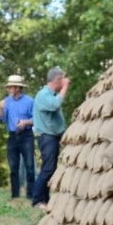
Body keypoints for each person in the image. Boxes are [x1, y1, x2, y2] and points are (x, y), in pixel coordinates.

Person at [31, 66, 70, 208]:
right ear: (58, 79)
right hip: (47, 137)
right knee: (48, 169)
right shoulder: (43, 95)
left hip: (51, 136)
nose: (66, 81)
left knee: (51, 168)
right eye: (63, 79)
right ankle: (37, 200)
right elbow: (55, 105)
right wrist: (65, 87)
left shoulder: (50, 94)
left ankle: (45, 200)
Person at [0, 75, 35, 200]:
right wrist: (1, 108)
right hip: (12, 136)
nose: (8, 89)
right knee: (13, 168)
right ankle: (15, 196)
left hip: (26, 136)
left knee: (30, 166)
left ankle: (30, 195)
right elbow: (2, 119)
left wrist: (25, 122)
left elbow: (36, 119)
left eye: (10, 87)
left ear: (17, 88)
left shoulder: (30, 101)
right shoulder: (6, 101)